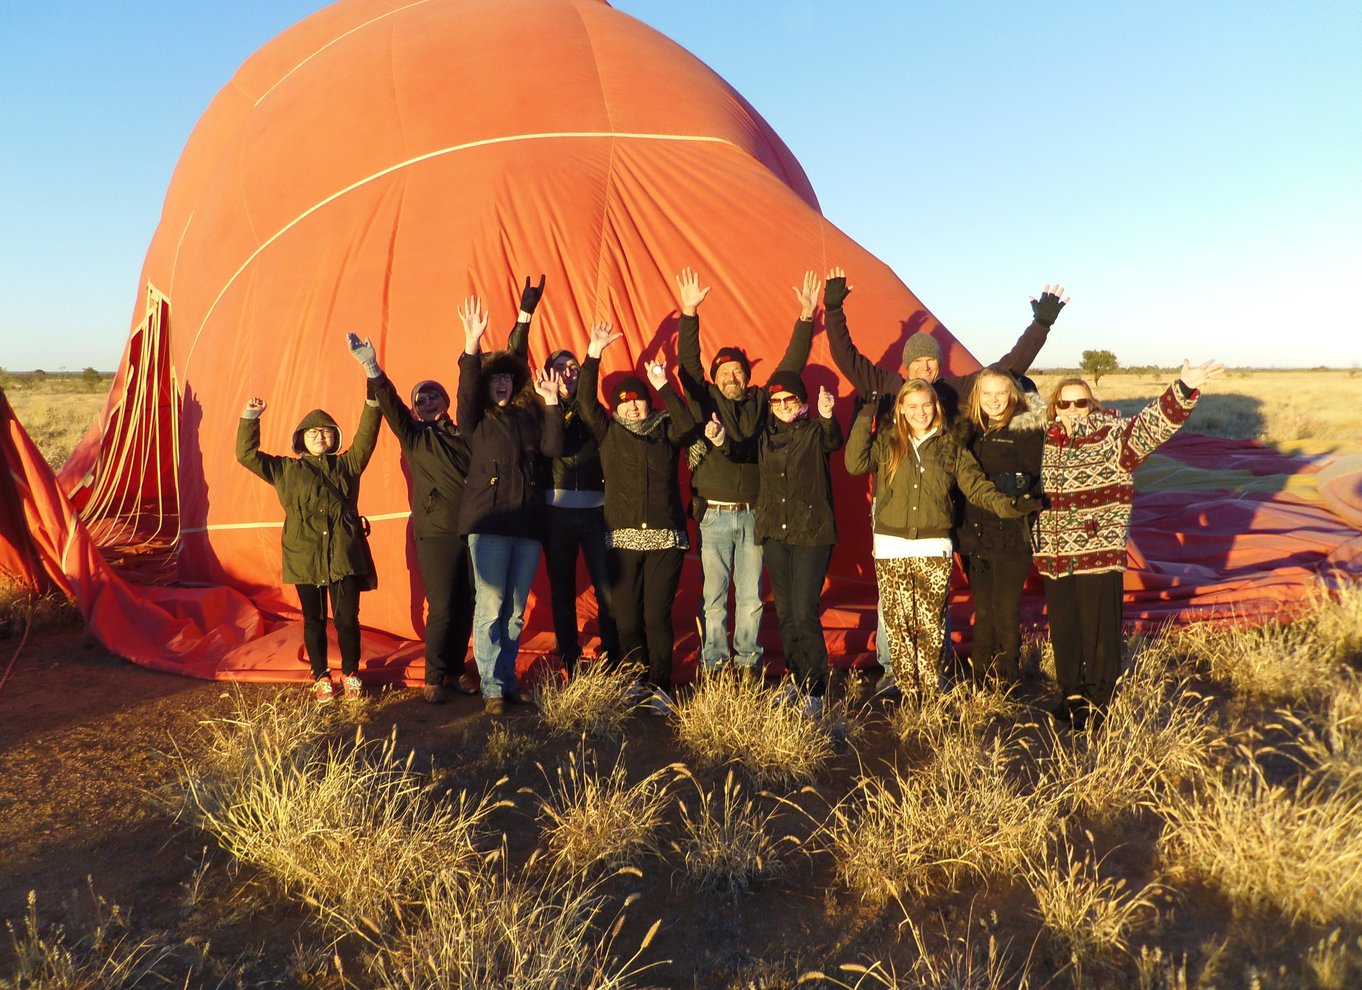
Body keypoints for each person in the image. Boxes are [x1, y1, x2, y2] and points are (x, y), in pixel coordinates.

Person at [823, 268, 1066, 684]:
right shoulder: (886, 386)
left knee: (936, 595)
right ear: (906, 366)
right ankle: (894, 670)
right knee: (895, 601)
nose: (925, 367)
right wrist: (833, 309)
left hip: (944, 504)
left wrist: (1040, 324)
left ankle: (937, 668)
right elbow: (846, 356)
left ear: (938, 366)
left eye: (931, 360)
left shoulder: (956, 390)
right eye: (917, 360)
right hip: (894, 506)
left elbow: (1007, 369)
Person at [1036, 360, 1223, 729]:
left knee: (1100, 628)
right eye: (1066, 403)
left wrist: (1182, 389)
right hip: (1053, 553)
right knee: (1065, 628)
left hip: (1097, 550)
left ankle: (1099, 701)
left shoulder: (1112, 436)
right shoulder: (1042, 440)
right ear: (1054, 406)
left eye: (1081, 402)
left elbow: (1153, 426)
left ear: (1093, 404)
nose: (1073, 410)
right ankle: (1071, 694)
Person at [844, 378, 1034, 700]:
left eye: (926, 405)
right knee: (899, 626)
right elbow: (854, 464)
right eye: (913, 406)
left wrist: (1009, 505)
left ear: (936, 407)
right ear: (901, 410)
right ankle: (908, 692)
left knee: (931, 624)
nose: (921, 412)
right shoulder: (887, 442)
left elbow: (976, 486)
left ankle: (931, 691)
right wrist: (866, 415)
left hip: (934, 546)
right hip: (891, 546)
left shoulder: (950, 445)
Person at [675, 268, 817, 678]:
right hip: (715, 516)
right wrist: (690, 312)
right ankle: (716, 667)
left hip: (756, 513)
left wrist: (805, 317)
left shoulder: (761, 403)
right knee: (715, 597)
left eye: (738, 371)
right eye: (724, 373)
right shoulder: (705, 403)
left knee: (751, 598)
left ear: (747, 377)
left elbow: (791, 364)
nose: (732, 377)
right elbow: (687, 362)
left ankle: (748, 665)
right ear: (715, 379)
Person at [575, 320, 702, 713]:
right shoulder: (608, 432)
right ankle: (636, 679)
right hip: (622, 537)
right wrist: (593, 353)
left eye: (639, 399)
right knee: (627, 617)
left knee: (655, 615)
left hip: (666, 538)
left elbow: (688, 426)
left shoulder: (666, 429)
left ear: (649, 402)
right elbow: (583, 401)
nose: (632, 404)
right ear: (616, 407)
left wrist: (664, 384)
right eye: (625, 400)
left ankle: (661, 685)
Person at [506, 279, 621, 677]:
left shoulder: (592, 409)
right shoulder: (536, 408)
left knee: (608, 591)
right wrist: (525, 316)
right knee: (562, 593)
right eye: (561, 367)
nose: (569, 374)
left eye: (574, 369)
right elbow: (514, 363)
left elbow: (587, 394)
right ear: (548, 373)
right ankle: (570, 657)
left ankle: (613, 655)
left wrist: (592, 358)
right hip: (555, 514)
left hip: (596, 513)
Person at [457, 294, 565, 716]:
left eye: (507, 378)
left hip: (527, 524)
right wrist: (472, 345)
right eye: (494, 378)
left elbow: (554, 447)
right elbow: (466, 389)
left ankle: (507, 680)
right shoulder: (476, 420)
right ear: (485, 385)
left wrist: (552, 403)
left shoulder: (528, 416)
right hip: (489, 524)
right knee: (490, 608)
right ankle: (492, 688)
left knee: (515, 612)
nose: (501, 383)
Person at [236, 390, 380, 701]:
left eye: (326, 431)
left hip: (343, 554)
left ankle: (351, 673)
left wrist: (372, 399)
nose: (319, 436)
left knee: (346, 619)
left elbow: (366, 439)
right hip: (305, 556)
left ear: (334, 437)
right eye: (313, 432)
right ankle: (321, 676)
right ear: (302, 438)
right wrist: (250, 419)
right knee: (313, 621)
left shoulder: (347, 466)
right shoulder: (285, 470)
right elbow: (246, 456)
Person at [743, 369, 842, 714]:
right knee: (784, 613)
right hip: (774, 532)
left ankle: (816, 689)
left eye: (791, 400)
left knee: (804, 610)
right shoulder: (763, 436)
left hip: (811, 532)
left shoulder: (815, 431)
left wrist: (828, 415)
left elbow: (833, 440)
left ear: (802, 401)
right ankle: (795, 677)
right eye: (778, 401)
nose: (784, 406)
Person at [953, 367, 1046, 683]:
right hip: (974, 535)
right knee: (984, 611)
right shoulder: (969, 430)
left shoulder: (1028, 431)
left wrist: (1021, 492)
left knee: (1006, 611)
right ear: (977, 396)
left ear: (1014, 395)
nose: (993, 400)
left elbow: (1039, 479)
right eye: (987, 394)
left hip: (1011, 535)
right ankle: (980, 676)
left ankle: (1007, 679)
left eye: (1000, 393)